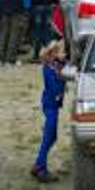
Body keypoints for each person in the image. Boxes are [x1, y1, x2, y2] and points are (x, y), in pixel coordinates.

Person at [32, 40, 67, 182]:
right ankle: (41, 165)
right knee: (49, 134)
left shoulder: (56, 66)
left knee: (51, 136)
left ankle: (40, 163)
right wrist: (62, 87)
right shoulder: (50, 68)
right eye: (61, 52)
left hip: (53, 103)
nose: (64, 55)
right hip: (50, 103)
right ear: (54, 54)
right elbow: (54, 87)